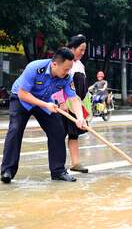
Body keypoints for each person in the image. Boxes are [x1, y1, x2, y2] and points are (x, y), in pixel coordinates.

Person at [1, 47, 86, 184]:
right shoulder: (34, 68)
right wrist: (46, 105)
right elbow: (23, 94)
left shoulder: (66, 77)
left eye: (69, 69)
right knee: (15, 129)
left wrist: (80, 118)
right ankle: (8, 170)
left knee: (58, 130)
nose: (68, 72)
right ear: (54, 64)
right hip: (21, 99)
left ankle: (58, 171)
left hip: (45, 101)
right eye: (65, 69)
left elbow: (74, 98)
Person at [63, 34, 90, 173]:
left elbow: (82, 90)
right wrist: (62, 104)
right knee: (60, 134)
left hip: (77, 106)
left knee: (73, 134)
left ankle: (75, 163)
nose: (82, 53)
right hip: (65, 106)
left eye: (84, 50)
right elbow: (59, 85)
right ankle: (58, 167)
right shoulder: (65, 63)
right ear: (72, 48)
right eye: (81, 49)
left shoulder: (80, 65)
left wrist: (84, 110)